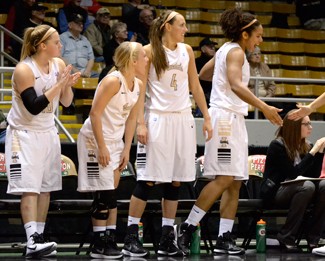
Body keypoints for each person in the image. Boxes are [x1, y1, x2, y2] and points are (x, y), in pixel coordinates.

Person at [176, 8, 283, 256]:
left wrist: (221, 76)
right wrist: (265, 106)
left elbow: (204, 74)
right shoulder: (235, 52)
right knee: (223, 179)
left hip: (232, 118)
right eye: (258, 35)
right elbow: (235, 84)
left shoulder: (225, 49)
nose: (260, 40)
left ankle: (225, 236)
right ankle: (188, 227)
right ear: (245, 34)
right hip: (225, 120)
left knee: (235, 181)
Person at [122, 10, 213, 257]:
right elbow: (140, 91)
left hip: (183, 119)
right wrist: (140, 123)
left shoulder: (187, 51)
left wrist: (206, 116)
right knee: (148, 179)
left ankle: (166, 238)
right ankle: (130, 236)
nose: (185, 29)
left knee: (175, 181)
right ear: (167, 26)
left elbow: (195, 85)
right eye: (181, 25)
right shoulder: (148, 51)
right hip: (157, 119)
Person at [5, 24, 80, 258]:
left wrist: (66, 86)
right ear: (42, 46)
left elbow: (66, 103)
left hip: (48, 133)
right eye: (57, 41)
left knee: (46, 189)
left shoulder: (57, 65)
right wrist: (58, 84)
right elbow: (34, 106)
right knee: (30, 189)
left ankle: (39, 238)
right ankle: (31, 240)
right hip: (23, 134)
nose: (61, 45)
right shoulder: (24, 69)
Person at [77, 41, 148, 259]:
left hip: (116, 140)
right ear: (133, 60)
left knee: (111, 190)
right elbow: (94, 114)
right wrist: (101, 146)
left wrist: (127, 148)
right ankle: (100, 243)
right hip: (94, 139)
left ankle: (109, 239)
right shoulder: (112, 81)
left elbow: (133, 119)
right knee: (104, 192)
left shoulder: (138, 84)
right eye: (144, 57)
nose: (147, 60)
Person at [260, 110, 325, 252]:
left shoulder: (306, 145)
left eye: (310, 123)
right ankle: (286, 237)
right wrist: (313, 152)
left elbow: (313, 175)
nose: (311, 127)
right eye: (306, 124)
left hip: (300, 191)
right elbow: (293, 174)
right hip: (276, 192)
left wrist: (319, 153)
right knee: (307, 187)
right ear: (295, 126)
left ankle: (314, 238)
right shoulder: (277, 145)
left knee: (323, 186)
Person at [60, 13, 96, 78]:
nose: (81, 25)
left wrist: (87, 71)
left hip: (84, 71)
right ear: (70, 25)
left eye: (82, 23)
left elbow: (91, 58)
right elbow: (59, 57)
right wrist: (74, 70)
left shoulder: (85, 40)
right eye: (77, 23)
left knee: (102, 77)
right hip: (67, 71)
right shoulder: (62, 38)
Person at [195, 37, 218, 115]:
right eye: (209, 46)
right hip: (203, 93)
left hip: (216, 93)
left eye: (213, 46)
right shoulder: (196, 62)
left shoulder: (219, 62)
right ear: (203, 49)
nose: (213, 48)